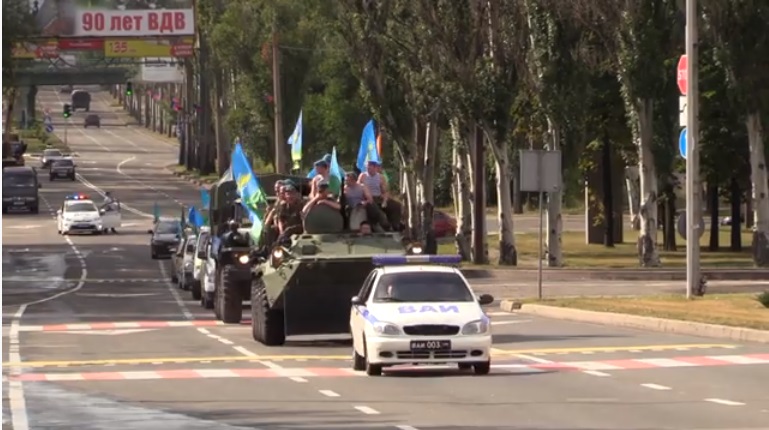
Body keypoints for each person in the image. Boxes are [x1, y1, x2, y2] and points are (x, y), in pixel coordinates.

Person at [358, 160, 398, 230]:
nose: (368, 169)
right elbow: (358, 187)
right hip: (367, 198)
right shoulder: (363, 176)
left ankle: (395, 225)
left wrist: (385, 201)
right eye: (367, 167)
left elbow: (385, 191)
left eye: (370, 167)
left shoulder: (380, 177)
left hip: (378, 197)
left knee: (396, 205)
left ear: (375, 167)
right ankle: (385, 225)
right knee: (376, 210)